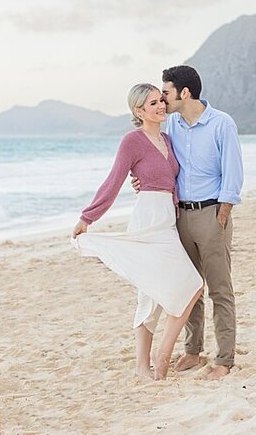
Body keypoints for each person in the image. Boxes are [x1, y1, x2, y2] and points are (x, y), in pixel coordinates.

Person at [71, 83, 203, 380]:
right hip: (146, 221)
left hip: (167, 223)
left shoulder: (169, 139)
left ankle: (162, 353)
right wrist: (87, 217)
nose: (160, 106)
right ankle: (143, 366)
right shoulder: (132, 141)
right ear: (139, 110)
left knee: (191, 285)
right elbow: (114, 181)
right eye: (153, 103)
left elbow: (172, 181)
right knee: (149, 296)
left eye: (161, 101)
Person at [133, 65, 243, 380]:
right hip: (179, 215)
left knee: (219, 289)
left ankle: (224, 359)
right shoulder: (173, 128)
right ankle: (193, 351)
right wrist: (142, 182)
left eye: (165, 93)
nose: (162, 100)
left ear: (184, 93)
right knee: (188, 287)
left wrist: (221, 217)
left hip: (211, 215)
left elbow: (233, 175)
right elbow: (160, 163)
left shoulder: (222, 124)